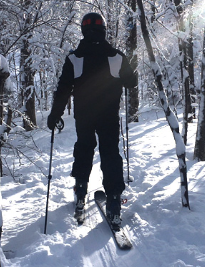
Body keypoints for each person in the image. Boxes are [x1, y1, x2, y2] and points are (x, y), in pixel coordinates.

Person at [47, 12, 137, 229]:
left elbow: (62, 90)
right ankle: (114, 200)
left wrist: (55, 114)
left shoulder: (74, 58)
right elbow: (131, 83)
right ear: (104, 30)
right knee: (110, 153)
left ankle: (80, 191)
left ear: (83, 30)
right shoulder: (116, 56)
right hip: (109, 115)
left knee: (84, 148)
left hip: (84, 115)